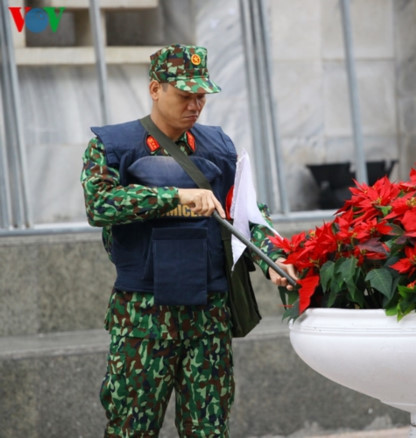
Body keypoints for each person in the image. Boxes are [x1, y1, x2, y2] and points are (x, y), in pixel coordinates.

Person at [80, 43, 295, 437]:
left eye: (201, 96)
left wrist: (275, 260)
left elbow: (248, 214)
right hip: (143, 316)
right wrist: (175, 196)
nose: (195, 105)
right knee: (131, 428)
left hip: (208, 316)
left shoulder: (219, 147)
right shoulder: (113, 146)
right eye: (184, 95)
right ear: (155, 89)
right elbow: (100, 205)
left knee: (209, 429)